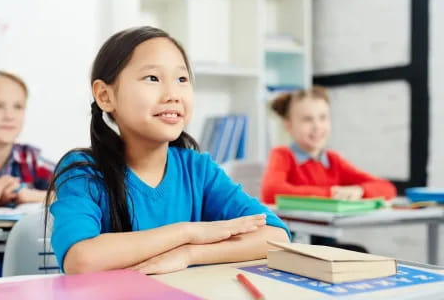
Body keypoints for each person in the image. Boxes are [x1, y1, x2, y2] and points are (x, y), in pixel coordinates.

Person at [47, 26, 291, 275]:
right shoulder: (82, 172)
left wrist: (189, 253)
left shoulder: (198, 170)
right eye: (153, 78)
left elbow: (276, 236)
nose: (173, 94)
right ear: (105, 95)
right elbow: (81, 260)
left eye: (182, 79)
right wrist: (188, 232)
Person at [260, 86, 396, 251]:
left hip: (326, 244)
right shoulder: (282, 155)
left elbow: (386, 188)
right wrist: (332, 194)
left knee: (360, 253)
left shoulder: (333, 160)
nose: (317, 126)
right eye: (307, 119)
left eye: (323, 118)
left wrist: (360, 191)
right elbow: (271, 191)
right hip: (292, 245)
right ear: (289, 125)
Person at [0, 70, 55, 213]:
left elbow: (85, 193)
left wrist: (33, 196)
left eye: (18, 107)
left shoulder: (30, 158)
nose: (9, 116)